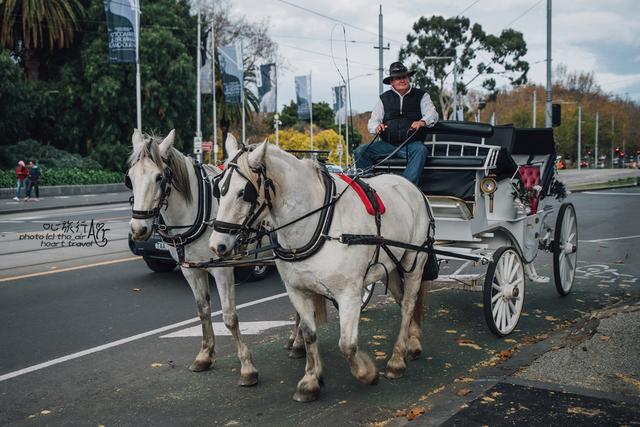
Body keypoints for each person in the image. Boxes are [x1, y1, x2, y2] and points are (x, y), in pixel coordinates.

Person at [354, 61, 438, 185]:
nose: (402, 80)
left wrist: (422, 121)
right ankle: (368, 185)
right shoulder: (383, 98)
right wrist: (377, 127)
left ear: (408, 78)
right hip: (387, 145)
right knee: (360, 151)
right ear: (392, 82)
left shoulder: (422, 96)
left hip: (411, 145)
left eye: (404, 77)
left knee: (421, 150)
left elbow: (433, 114)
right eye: (398, 78)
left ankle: (405, 186)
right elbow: (373, 121)